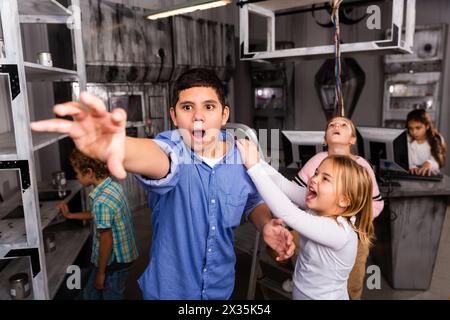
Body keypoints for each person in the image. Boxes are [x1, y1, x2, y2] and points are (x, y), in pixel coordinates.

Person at [32, 68, 294, 300]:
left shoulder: (243, 157)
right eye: (187, 107)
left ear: (224, 114)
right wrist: (117, 146)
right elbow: (157, 159)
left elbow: (251, 200)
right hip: (169, 290)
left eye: (209, 107)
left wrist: (265, 224)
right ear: (174, 115)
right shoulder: (171, 147)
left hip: (220, 287)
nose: (198, 118)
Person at [237, 141, 375, 300]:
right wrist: (256, 160)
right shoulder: (320, 205)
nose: (314, 179)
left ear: (343, 200)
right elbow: (284, 185)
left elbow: (288, 213)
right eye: (316, 173)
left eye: (325, 179)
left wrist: (254, 168)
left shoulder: (338, 231)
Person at [56, 148, 139, 300]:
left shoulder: (102, 202)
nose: (76, 177)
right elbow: (98, 216)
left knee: (110, 294)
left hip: (113, 264)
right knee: (90, 294)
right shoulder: (113, 187)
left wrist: (101, 273)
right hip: (121, 258)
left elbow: (106, 240)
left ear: (89, 173)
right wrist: (70, 215)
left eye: (77, 173)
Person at [406, 109, 447, 176]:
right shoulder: (407, 140)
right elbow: (407, 161)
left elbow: (438, 162)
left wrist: (429, 163)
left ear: (427, 126)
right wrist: (411, 167)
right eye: (410, 128)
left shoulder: (436, 140)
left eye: (418, 128)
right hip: (411, 176)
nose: (414, 132)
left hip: (430, 178)